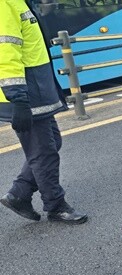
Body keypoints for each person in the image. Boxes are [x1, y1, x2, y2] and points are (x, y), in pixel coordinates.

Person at [0, 0, 87, 224]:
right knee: (43, 151)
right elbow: (6, 53)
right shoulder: (5, 4)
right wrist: (18, 98)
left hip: (35, 89)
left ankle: (18, 194)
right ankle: (56, 206)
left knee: (52, 143)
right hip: (26, 93)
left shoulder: (20, 2)